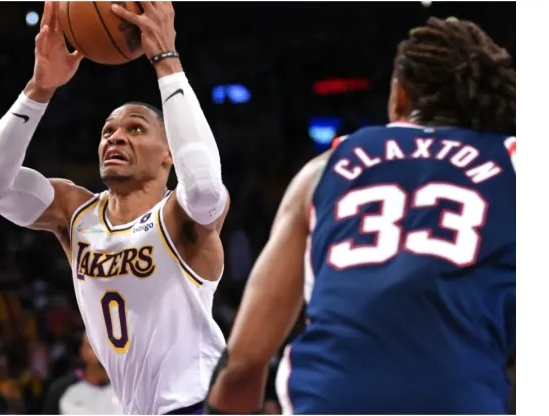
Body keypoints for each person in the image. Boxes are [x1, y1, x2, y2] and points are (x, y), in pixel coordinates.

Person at [205, 17, 515, 414]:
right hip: (458, 398)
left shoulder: (326, 166)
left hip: (330, 397)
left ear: (399, 96)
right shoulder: (516, 164)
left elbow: (245, 361)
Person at [0, 2, 228, 414]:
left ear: (168, 155)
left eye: (135, 128)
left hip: (200, 402)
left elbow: (206, 187)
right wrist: (39, 91)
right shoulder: (77, 214)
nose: (115, 137)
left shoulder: (181, 217)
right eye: (108, 131)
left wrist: (165, 58)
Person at [41, 333, 121, 414]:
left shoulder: (124, 390)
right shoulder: (60, 390)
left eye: (107, 347)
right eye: (93, 347)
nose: (102, 353)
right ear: (83, 352)